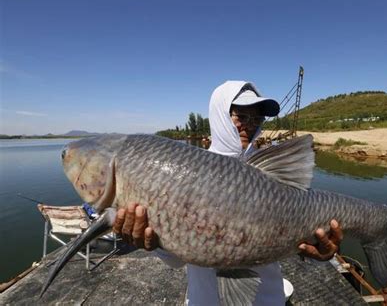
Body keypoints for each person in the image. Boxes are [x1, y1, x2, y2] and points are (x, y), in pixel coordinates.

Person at [113, 81, 343, 305]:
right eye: (241, 116)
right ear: (220, 115)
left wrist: (321, 255)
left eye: (257, 118)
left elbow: (303, 237)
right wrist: (153, 242)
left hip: (267, 300)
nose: (249, 125)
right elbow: (175, 261)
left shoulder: (277, 173)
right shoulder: (182, 174)